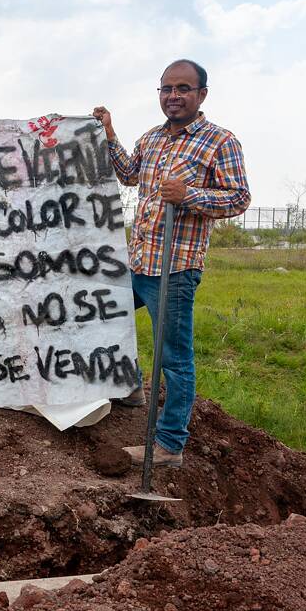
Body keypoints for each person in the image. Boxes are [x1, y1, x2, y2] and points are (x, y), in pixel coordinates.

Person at [92, 59, 250, 468]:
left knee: (174, 359)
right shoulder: (153, 139)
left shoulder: (219, 142)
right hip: (139, 262)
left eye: (183, 88)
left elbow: (238, 198)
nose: (174, 96)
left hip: (174, 268)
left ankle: (169, 445)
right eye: (166, 89)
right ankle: (128, 386)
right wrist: (110, 134)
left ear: (202, 95)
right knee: (102, 318)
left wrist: (191, 195)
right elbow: (129, 174)